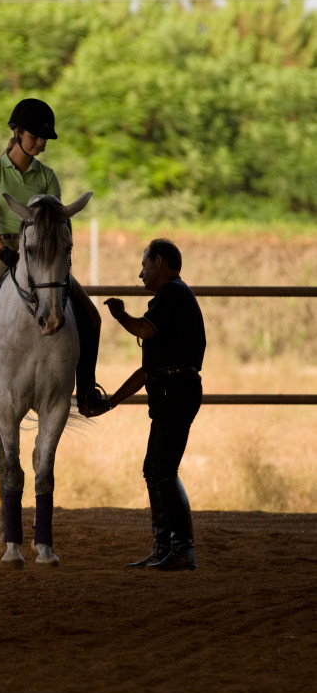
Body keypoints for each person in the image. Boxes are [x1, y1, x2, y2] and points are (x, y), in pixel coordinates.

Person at [0, 98, 107, 417]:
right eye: (35, 136)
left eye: (45, 139)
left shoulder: (48, 177)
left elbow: (57, 222)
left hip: (42, 257)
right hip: (4, 251)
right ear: (16, 132)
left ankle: (87, 389)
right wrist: (1, 250)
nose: (41, 143)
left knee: (91, 316)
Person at [99, 238, 206, 572]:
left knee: (162, 470)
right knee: (156, 469)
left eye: (144, 265)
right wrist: (112, 401)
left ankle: (181, 548)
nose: (140, 272)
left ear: (159, 261)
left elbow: (144, 330)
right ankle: (166, 547)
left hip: (174, 391)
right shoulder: (175, 297)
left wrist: (119, 315)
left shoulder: (171, 294)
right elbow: (146, 371)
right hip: (170, 389)